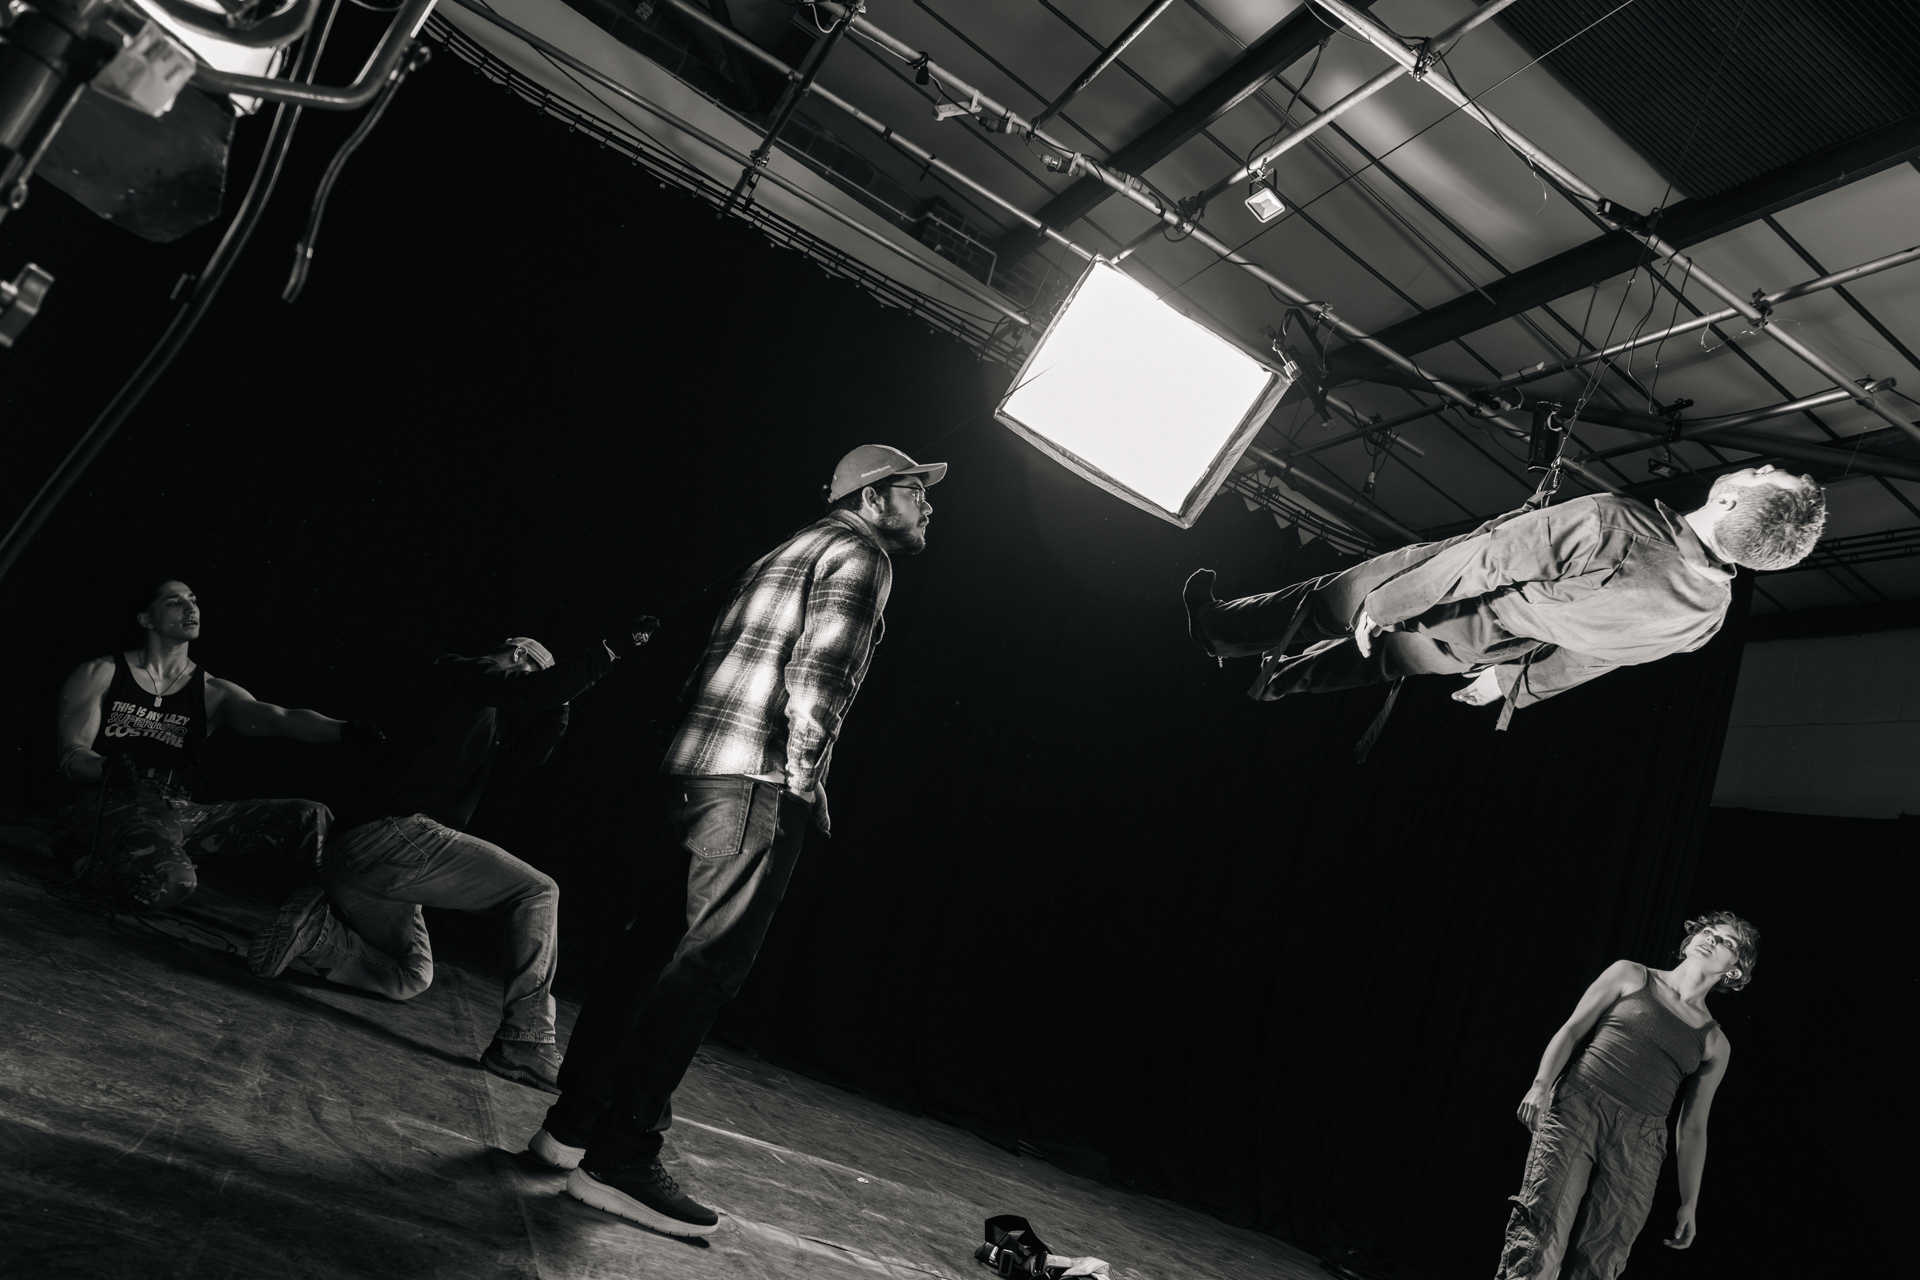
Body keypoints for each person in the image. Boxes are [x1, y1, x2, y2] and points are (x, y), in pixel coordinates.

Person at [522, 443, 945, 1239]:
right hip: (753, 779)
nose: (928, 507)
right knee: (705, 968)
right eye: (916, 492)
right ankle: (620, 1158)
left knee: (650, 952)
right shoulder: (862, 556)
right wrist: (803, 777)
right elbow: (820, 679)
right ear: (872, 497)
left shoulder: (786, 549)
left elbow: (717, 662)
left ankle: (570, 1129)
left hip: (695, 770)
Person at [247, 622, 659, 1092]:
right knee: (538, 891)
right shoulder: (459, 672)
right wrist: (610, 650)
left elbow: (532, 753)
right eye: (533, 670)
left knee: (411, 976)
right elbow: (534, 691)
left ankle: (315, 934)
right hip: (390, 837)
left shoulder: (486, 717)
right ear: (517, 655)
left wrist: (561, 701)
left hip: (361, 868)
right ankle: (525, 1041)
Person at [1183, 466, 1825, 722]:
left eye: (1768, 474)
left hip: (1439, 594)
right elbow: (1598, 658)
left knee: (1324, 606)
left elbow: (1485, 562)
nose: (1763, 466)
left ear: (1731, 501)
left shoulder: (1614, 523)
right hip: (1478, 651)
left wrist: (1387, 603)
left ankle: (1217, 632)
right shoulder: (1707, 618)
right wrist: (1514, 686)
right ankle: (1268, 685)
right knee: (1361, 665)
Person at [54, 579, 379, 912]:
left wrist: (344, 730)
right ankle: (81, 859)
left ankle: (332, 916)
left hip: (182, 809)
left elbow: (280, 718)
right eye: (174, 602)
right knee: (173, 884)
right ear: (146, 619)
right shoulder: (101, 672)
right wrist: (106, 768)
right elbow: (71, 756)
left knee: (310, 815)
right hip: (114, 802)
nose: (190, 608)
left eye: (193, 600)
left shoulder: (213, 691)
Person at [1496, 912, 1754, 1279]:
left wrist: (1689, 1202)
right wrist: (1540, 1084)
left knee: (1602, 1259)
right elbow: (1572, 1030)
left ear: (1735, 971)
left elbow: (1694, 1127)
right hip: (1578, 1107)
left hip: (1640, 1142)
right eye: (1708, 932)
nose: (1711, 939)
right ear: (1690, 942)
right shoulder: (1631, 974)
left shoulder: (1715, 1042)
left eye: (1726, 941)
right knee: (1542, 1236)